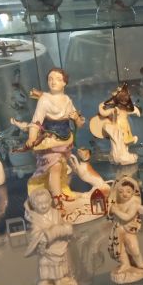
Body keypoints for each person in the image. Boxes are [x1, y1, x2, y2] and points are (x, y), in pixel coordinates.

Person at [26, 68, 84, 204]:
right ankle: (56, 198)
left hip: (65, 141)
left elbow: (79, 124)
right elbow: (36, 122)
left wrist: (76, 118)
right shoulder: (44, 100)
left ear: (64, 83)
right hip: (50, 141)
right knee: (55, 166)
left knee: (62, 168)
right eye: (50, 79)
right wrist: (32, 138)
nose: (53, 82)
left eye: (58, 79)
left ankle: (61, 191)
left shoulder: (67, 100)